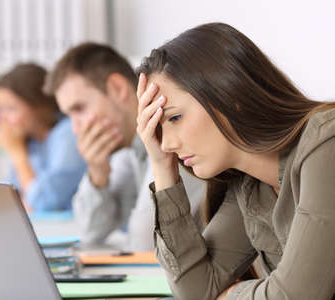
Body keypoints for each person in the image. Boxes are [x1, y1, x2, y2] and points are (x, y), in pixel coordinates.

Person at [136, 22, 335, 300]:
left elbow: (296, 295)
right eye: (159, 128)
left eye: (175, 118)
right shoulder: (249, 186)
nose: (168, 143)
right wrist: (161, 167)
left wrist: (230, 296)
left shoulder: (327, 144)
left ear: (229, 94)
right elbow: (195, 290)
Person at [44, 43, 205, 250]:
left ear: (117, 88)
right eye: (69, 116)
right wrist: (98, 173)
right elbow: (90, 232)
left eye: (80, 109)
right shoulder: (129, 150)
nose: (76, 129)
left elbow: (146, 240)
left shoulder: (173, 137)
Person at [0, 63, 86, 212]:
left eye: (10, 108)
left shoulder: (69, 133)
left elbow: (43, 203)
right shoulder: (30, 142)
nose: (1, 119)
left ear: (39, 106)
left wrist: (18, 154)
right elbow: (12, 201)